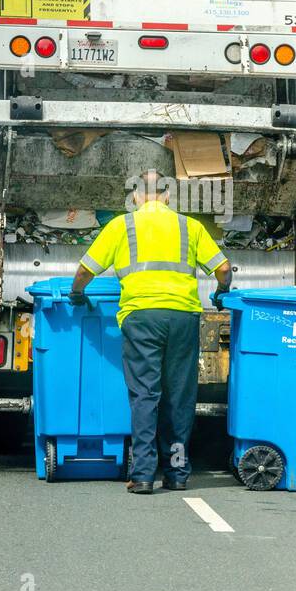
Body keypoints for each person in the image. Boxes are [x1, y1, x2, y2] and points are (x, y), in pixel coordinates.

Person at [71, 171, 232, 494]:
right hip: (184, 317)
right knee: (179, 397)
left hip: (141, 317)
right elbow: (224, 270)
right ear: (168, 196)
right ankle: (177, 472)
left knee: (146, 393)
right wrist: (219, 292)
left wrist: (77, 293)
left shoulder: (121, 226)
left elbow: (86, 269)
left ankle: (143, 475)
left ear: (135, 197)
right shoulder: (190, 227)